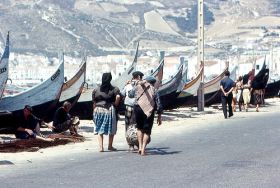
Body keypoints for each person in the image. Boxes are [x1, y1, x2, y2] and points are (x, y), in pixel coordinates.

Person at [132, 75, 163, 156]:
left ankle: (139, 147)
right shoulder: (154, 90)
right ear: (153, 83)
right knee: (147, 130)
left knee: (139, 128)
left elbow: (130, 94)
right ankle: (143, 149)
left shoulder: (138, 87)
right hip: (149, 111)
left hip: (138, 108)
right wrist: (159, 117)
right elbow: (159, 104)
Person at [92, 72, 121, 152]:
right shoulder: (114, 89)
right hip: (109, 109)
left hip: (98, 109)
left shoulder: (96, 89)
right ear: (110, 79)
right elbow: (118, 96)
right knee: (111, 128)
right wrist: (115, 103)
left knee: (99, 128)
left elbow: (94, 102)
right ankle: (110, 146)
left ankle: (101, 147)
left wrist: (93, 112)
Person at [121, 71, 144, 151]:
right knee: (138, 126)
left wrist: (125, 85)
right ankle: (138, 144)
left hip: (128, 107)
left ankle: (130, 145)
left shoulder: (128, 85)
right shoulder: (141, 85)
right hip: (138, 107)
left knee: (128, 126)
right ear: (139, 77)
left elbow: (122, 94)